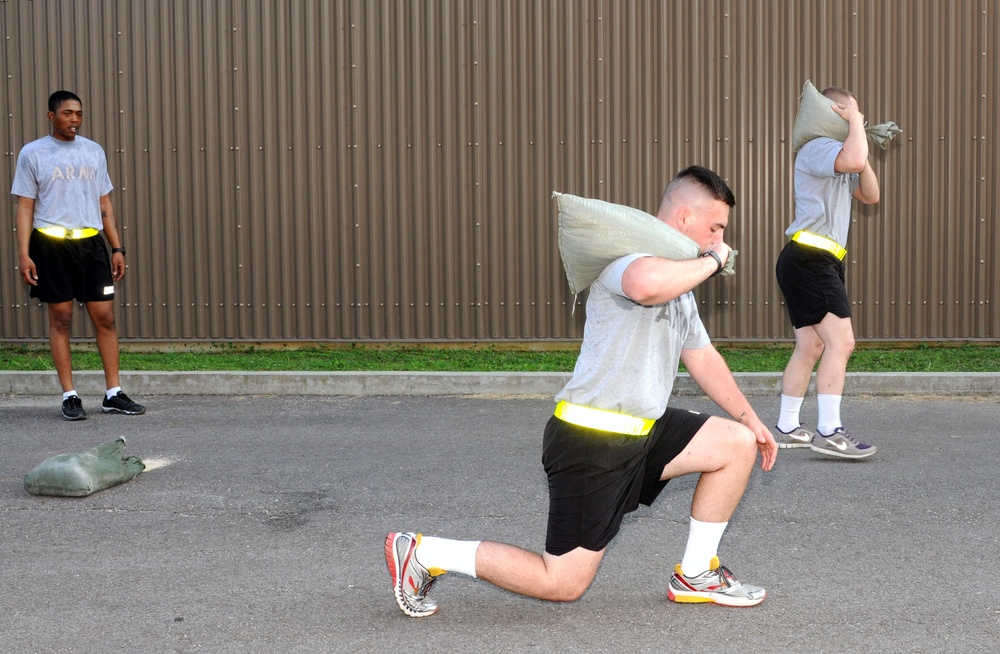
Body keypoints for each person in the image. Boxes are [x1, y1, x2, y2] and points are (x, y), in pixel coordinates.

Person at [385, 166, 778, 618]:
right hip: (593, 440)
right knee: (562, 583)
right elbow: (645, 285)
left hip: (643, 428)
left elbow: (703, 357)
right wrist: (713, 260)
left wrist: (751, 419)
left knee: (735, 443)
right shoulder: (624, 259)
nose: (718, 239)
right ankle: (424, 552)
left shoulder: (681, 282)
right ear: (685, 216)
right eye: (715, 228)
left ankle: (696, 573)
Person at [11, 90, 145, 421]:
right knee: (61, 319)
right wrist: (25, 255)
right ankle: (70, 396)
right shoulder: (33, 154)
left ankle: (113, 393)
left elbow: (104, 204)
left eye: (79, 114)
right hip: (51, 246)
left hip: (91, 246)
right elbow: (25, 207)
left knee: (106, 318)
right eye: (68, 113)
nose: (74, 119)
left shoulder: (93, 152)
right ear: (51, 116)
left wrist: (117, 247)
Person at [774, 86, 880, 459]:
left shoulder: (839, 156)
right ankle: (829, 431)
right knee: (842, 342)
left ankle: (787, 426)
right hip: (810, 259)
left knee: (811, 345)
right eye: (852, 113)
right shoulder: (817, 148)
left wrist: (860, 145)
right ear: (835, 112)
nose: (859, 120)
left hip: (814, 260)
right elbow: (851, 161)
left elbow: (871, 194)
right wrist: (854, 125)